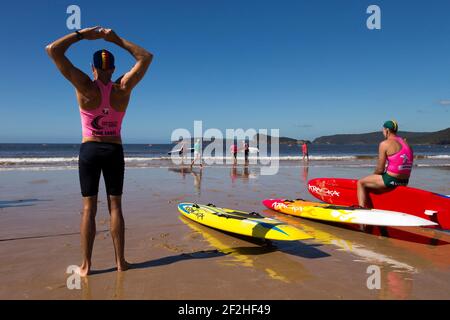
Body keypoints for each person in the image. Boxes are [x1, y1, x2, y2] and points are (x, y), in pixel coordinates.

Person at [46, 27, 153, 276]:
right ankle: (120, 262)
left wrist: (82, 34)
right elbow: (146, 57)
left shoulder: (84, 84)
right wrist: (116, 39)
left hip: (90, 150)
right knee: (115, 207)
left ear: (93, 68)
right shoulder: (123, 87)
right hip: (114, 150)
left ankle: (86, 265)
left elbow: (53, 50)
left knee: (88, 209)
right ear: (113, 69)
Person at [357, 120, 413, 208]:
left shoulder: (384, 144)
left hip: (390, 180)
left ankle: (361, 211)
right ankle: (374, 208)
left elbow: (380, 169)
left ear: (387, 130)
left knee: (361, 183)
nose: (383, 133)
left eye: (382, 130)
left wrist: (373, 177)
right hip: (404, 181)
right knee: (372, 187)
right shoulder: (406, 143)